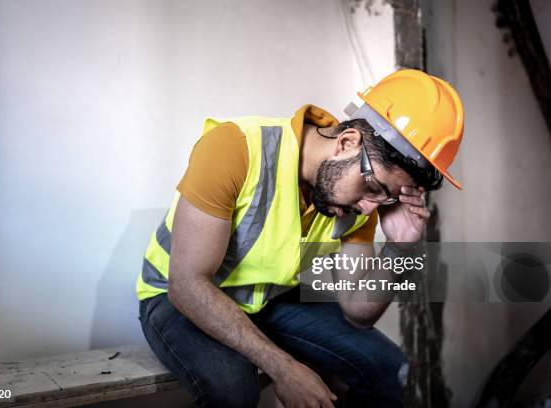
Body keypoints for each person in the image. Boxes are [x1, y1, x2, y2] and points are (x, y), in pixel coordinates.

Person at [135, 69, 464, 407]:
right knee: (234, 390)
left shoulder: (358, 202)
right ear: (347, 143)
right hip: (176, 297)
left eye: (386, 198)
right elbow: (187, 285)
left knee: (387, 368)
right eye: (373, 188)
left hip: (269, 300)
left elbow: (358, 311)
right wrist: (285, 367)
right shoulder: (235, 148)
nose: (368, 210)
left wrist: (398, 247)